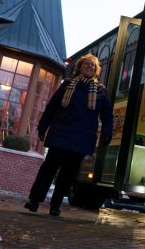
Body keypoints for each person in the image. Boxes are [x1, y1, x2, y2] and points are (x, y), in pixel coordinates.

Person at [24, 54, 113, 216]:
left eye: (92, 66)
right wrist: (43, 126)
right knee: (48, 169)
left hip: (82, 138)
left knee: (68, 174)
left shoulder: (100, 91)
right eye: (86, 64)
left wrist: (107, 132)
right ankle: (34, 201)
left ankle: (55, 206)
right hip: (60, 133)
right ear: (79, 67)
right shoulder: (67, 85)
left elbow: (107, 115)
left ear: (96, 70)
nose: (89, 67)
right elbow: (52, 106)